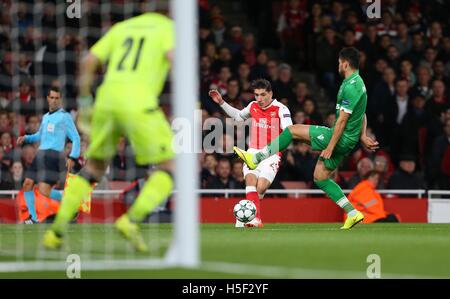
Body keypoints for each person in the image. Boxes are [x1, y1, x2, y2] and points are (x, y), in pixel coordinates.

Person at [43, 9, 175, 253]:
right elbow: (173, 57)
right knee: (170, 167)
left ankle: (55, 232)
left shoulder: (122, 28)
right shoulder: (168, 28)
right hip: (139, 103)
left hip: (105, 101)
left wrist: (84, 101)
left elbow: (88, 61)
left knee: (94, 167)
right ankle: (131, 220)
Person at [234, 47, 379, 229]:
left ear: (345, 64)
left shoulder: (350, 87)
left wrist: (330, 146)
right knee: (320, 177)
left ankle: (256, 157)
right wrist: (363, 135)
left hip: (338, 138)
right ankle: (352, 213)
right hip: (349, 141)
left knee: (292, 131)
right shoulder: (358, 83)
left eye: (338, 63)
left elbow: (342, 121)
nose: (338, 66)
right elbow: (361, 112)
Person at [209, 78, 293, 228]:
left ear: (270, 93)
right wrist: (221, 102)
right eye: (256, 95)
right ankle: (255, 219)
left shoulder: (281, 109)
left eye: (262, 95)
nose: (259, 99)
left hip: (272, 154)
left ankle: (245, 214)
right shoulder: (253, 106)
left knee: (261, 187)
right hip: (253, 152)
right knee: (250, 181)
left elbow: (289, 131)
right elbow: (237, 116)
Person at [16, 86, 80, 224]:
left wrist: (73, 157)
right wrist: (26, 138)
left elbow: (76, 138)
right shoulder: (45, 117)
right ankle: (33, 218)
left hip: (53, 156)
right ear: (47, 99)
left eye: (57, 98)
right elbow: (40, 135)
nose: (54, 101)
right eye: (52, 97)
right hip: (40, 154)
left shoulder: (65, 117)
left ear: (60, 99)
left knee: (44, 190)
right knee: (27, 184)